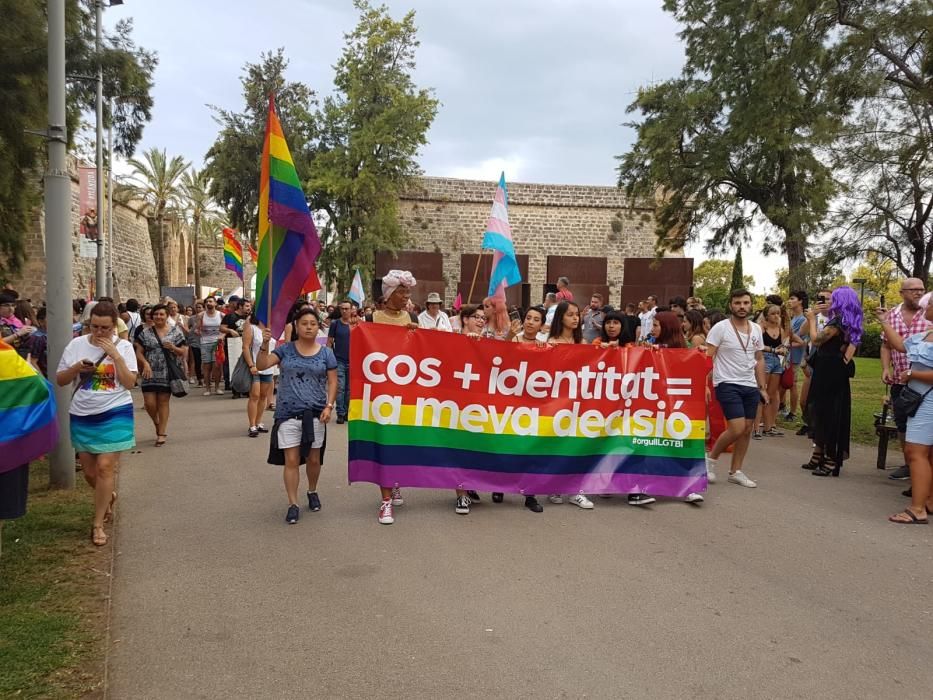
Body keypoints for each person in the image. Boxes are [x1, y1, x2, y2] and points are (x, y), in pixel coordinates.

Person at [56, 301, 138, 547]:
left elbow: (130, 382)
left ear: (115, 326)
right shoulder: (76, 345)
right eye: (95, 327)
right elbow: (60, 380)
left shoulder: (124, 347)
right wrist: (76, 368)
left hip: (115, 410)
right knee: (91, 472)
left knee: (104, 468)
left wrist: (115, 356)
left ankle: (98, 524)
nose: (100, 332)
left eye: (105, 328)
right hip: (83, 413)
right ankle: (108, 496)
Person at [257, 308, 338, 524]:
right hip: (287, 413)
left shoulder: (326, 353)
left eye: (313, 323)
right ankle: (293, 503)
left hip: (315, 414)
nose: (309, 327)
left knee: (313, 458)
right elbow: (262, 365)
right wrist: (264, 344)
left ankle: (312, 490)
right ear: (296, 326)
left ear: (317, 326)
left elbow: (332, 381)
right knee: (291, 460)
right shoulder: (285, 350)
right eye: (304, 323)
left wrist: (329, 406)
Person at [876, 298, 933, 523]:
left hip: (927, 403)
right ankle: (928, 500)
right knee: (927, 454)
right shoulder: (925, 335)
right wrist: (884, 321)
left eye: (929, 305)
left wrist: (912, 375)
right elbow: (900, 345)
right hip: (920, 401)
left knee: (915, 453)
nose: (924, 308)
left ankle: (917, 509)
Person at [704, 289, 767, 488]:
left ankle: (735, 471)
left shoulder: (756, 328)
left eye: (746, 303)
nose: (742, 307)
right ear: (731, 305)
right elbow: (708, 356)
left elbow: (759, 358)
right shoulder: (720, 328)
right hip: (726, 382)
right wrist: (705, 383)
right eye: (738, 303)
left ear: (751, 305)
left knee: (747, 430)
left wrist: (762, 386)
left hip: (749, 384)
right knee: (737, 427)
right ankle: (710, 461)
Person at [371, 270, 418, 524]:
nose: (406, 297)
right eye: (402, 292)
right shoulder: (374, 318)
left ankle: (395, 481)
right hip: (380, 391)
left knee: (400, 442)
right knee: (384, 441)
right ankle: (385, 501)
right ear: (389, 294)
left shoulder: (411, 319)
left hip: (404, 391)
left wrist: (416, 334)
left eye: (408, 293)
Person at [800, 287, 862, 477]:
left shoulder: (838, 322)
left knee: (828, 412)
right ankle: (820, 452)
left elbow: (817, 340)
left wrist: (811, 319)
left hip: (830, 372)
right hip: (831, 370)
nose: (830, 302)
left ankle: (830, 457)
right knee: (821, 410)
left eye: (834, 299)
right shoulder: (849, 322)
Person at [545, 301, 594, 509]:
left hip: (579, 401)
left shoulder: (582, 341)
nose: (575, 318)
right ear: (560, 318)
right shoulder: (552, 342)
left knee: (577, 444)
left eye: (577, 315)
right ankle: (555, 485)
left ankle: (576, 490)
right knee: (558, 444)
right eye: (570, 315)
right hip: (557, 401)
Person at [881, 279, 931, 482]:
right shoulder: (891, 315)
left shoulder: (928, 313)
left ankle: (922, 469)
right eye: (914, 290)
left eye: (921, 289)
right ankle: (910, 464)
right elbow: (889, 345)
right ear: (902, 292)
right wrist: (886, 368)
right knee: (902, 424)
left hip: (926, 386)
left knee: (923, 427)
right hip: (900, 380)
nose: (919, 293)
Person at [134, 304, 187, 447]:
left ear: (167, 315)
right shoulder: (145, 333)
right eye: (156, 314)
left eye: (161, 314)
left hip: (166, 372)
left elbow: (183, 352)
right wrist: (144, 363)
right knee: (149, 403)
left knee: (163, 402)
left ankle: (162, 432)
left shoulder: (176, 332)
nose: (158, 317)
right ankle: (156, 422)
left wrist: (174, 348)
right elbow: (139, 351)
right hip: (149, 371)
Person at [755, 304, 800, 439]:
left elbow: (791, 340)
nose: (776, 316)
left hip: (777, 361)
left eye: (778, 313)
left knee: (772, 394)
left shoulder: (781, 329)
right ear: (767, 315)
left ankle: (769, 427)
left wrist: (785, 348)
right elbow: (758, 345)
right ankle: (756, 428)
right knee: (761, 394)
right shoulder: (761, 327)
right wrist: (774, 350)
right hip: (765, 359)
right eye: (773, 313)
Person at [241, 311, 276, 437]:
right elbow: (245, 347)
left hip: (268, 367)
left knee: (263, 396)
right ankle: (252, 425)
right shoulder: (251, 326)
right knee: (254, 395)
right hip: (254, 366)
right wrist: (251, 365)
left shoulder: (273, 328)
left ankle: (258, 422)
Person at [196, 296, 231, 395]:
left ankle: (217, 388)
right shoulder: (201, 315)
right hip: (205, 342)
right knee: (207, 366)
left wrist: (222, 336)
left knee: (217, 366)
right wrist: (198, 331)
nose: (209, 303)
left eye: (211, 301)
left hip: (217, 343)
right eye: (207, 302)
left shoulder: (221, 315)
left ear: (215, 303)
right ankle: (207, 389)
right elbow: (198, 329)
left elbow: (225, 328)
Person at [784, 291, 810, 422]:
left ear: (800, 301)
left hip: (796, 355)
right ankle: (782, 406)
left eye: (792, 298)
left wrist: (785, 346)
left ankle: (793, 412)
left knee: (792, 383)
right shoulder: (792, 318)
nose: (789, 301)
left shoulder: (803, 319)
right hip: (787, 355)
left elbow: (801, 340)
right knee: (785, 382)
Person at [327, 300, 354, 423]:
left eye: (347, 309)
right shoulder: (335, 324)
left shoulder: (355, 324)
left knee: (350, 389)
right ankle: (340, 413)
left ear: (351, 310)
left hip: (353, 360)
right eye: (342, 308)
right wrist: (327, 358)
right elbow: (330, 342)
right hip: (339, 360)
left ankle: (348, 412)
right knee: (340, 388)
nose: (344, 311)